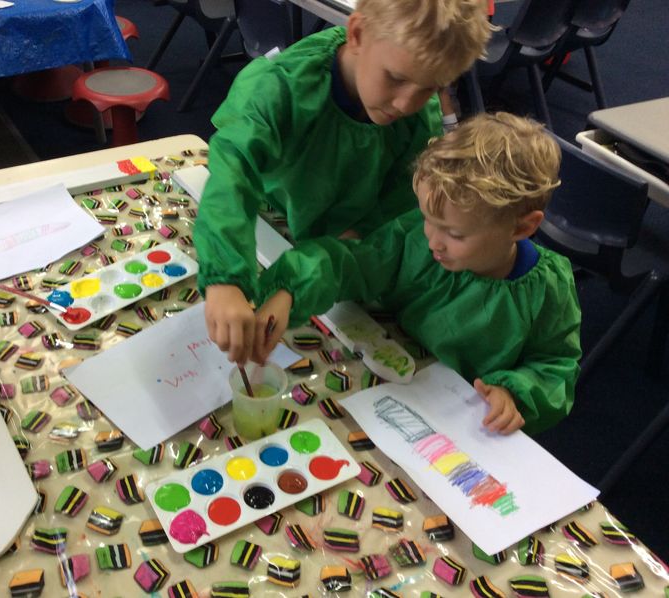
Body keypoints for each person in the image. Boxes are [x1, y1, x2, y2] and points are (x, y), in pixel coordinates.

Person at [194, 0, 492, 364]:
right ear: (357, 33)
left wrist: (307, 276)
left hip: (334, 250)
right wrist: (225, 279)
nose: (405, 104)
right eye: (396, 78)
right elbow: (232, 174)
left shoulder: (417, 123)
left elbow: (386, 222)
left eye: (430, 89)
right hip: (265, 220)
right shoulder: (282, 87)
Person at [254, 113, 582, 436]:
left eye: (455, 234)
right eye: (428, 219)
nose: (433, 241)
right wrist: (290, 288)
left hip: (460, 423)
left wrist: (514, 392)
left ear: (522, 227)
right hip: (390, 383)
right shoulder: (416, 236)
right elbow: (352, 264)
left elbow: (556, 367)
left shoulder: (547, 288)